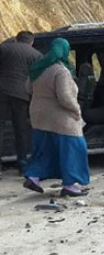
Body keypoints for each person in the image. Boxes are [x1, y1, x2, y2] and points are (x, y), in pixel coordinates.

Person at [22, 38, 90, 197]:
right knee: (74, 148)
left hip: (39, 115)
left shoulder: (38, 68)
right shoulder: (61, 71)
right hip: (61, 118)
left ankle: (33, 177)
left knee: (46, 150)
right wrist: (76, 109)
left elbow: (27, 88)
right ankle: (70, 185)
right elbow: (64, 97)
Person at [0, 31, 43, 175]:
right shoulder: (36, 54)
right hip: (21, 96)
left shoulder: (4, 48)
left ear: (16, 39)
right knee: (21, 130)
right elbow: (37, 78)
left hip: (1, 93)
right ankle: (22, 164)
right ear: (31, 42)